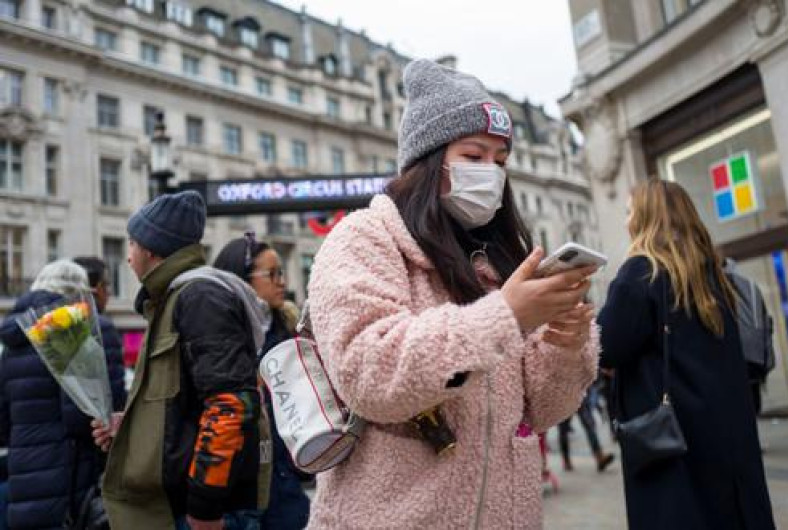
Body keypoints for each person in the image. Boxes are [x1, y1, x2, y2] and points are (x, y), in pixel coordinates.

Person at [304, 59, 599, 529]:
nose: (491, 173)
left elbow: (543, 411)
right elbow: (368, 372)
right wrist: (503, 316)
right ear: (428, 159)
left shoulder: (500, 259)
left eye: (500, 161)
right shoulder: (363, 238)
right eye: (473, 156)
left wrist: (564, 344)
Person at [598, 180, 775, 530]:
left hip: (671, 437)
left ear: (646, 217)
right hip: (725, 429)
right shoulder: (714, 273)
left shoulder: (640, 272)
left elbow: (606, 346)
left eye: (631, 211)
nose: (627, 220)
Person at [90, 191, 269, 530]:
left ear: (152, 248)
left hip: (204, 515)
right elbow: (183, 406)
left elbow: (231, 404)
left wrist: (204, 508)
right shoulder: (175, 298)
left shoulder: (200, 297)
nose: (128, 258)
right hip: (183, 510)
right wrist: (130, 426)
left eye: (132, 244)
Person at [0, 260, 124, 529]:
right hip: (71, 481)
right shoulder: (80, 329)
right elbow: (97, 418)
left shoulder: (12, 341)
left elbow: (3, 424)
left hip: (23, 482)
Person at [214, 234, 311, 529]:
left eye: (281, 272)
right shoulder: (218, 336)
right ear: (243, 281)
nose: (282, 281)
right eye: (272, 274)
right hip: (235, 494)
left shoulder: (291, 333)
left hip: (285, 485)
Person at [73, 256, 128, 411]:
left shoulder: (45, 326)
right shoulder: (101, 328)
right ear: (97, 288)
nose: (109, 293)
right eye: (107, 285)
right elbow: (114, 395)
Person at [723, 258, 775, 417]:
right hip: (754, 361)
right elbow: (766, 324)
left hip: (732, 362)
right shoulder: (750, 286)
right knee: (752, 413)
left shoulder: (715, 286)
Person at [556, 385, 615, 472]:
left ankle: (599, 456)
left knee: (588, 424)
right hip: (563, 393)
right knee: (563, 429)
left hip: (579, 391)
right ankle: (566, 460)